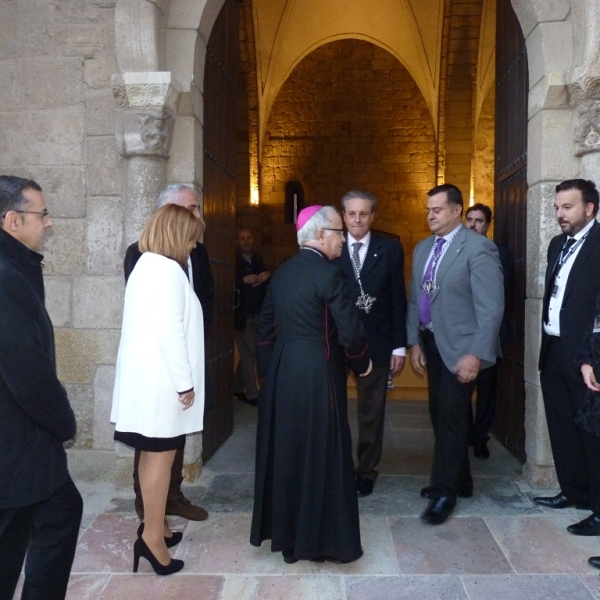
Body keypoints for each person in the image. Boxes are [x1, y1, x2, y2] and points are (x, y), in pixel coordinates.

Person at [251, 205, 372, 564]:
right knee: (324, 452)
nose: (344, 238)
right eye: (338, 231)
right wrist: (361, 363)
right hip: (319, 374)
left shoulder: (282, 274)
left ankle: (289, 540)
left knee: (288, 452)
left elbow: (264, 331)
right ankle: (321, 542)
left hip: (283, 372)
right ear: (320, 236)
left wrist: (269, 374)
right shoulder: (331, 274)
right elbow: (349, 330)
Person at [0, 175, 83, 599]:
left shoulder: (17, 268)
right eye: (42, 214)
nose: (48, 223)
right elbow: (27, 375)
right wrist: (64, 422)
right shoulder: (7, 279)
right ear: (13, 220)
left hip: (23, 446)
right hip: (16, 448)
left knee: (61, 513)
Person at [111, 203, 205, 575]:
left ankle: (157, 528)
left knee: (153, 457)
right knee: (161, 459)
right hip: (163, 382)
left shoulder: (147, 265)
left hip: (148, 380)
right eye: (192, 239)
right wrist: (185, 383)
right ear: (176, 235)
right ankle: (151, 538)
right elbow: (170, 331)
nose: (194, 247)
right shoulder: (166, 270)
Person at [407, 183, 504, 525]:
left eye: (437, 209)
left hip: (462, 348)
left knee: (450, 417)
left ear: (456, 211)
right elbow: (415, 297)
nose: (430, 215)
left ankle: (443, 492)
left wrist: (476, 354)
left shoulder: (478, 249)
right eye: (428, 209)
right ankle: (461, 481)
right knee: (440, 412)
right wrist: (415, 341)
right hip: (431, 343)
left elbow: (491, 307)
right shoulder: (422, 249)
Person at [124, 184, 214, 523]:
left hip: (181, 360)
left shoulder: (196, 254)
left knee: (171, 441)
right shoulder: (148, 259)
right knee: (153, 444)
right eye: (189, 209)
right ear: (169, 215)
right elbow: (160, 321)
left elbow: (205, 299)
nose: (196, 216)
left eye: (197, 208)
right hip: (163, 369)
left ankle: (169, 501)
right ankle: (149, 513)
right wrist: (182, 373)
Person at [535, 179, 600, 537]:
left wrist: (592, 357)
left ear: (589, 208)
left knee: (592, 433)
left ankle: (599, 508)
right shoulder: (557, 244)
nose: (559, 214)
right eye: (557, 207)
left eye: (567, 207)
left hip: (587, 357)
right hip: (554, 348)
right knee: (562, 425)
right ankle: (573, 491)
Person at [337, 190, 407, 498]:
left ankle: (366, 471)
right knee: (331, 408)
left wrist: (399, 346)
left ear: (372, 216)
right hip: (336, 343)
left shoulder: (389, 248)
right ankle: (335, 466)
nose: (357, 219)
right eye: (351, 213)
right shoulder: (332, 245)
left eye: (363, 214)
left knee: (371, 412)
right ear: (343, 216)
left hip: (376, 343)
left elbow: (397, 298)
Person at [465, 203, 512, 459]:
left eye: (479, 220)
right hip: (461, 332)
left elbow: (496, 290)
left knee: (486, 389)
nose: (473, 224)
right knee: (460, 389)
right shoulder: (456, 249)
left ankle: (481, 437)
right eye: (469, 219)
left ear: (487, 224)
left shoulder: (497, 251)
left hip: (488, 332)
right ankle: (467, 433)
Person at [234, 228, 270, 406]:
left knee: (249, 352)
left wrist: (266, 274)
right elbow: (225, 281)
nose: (246, 241)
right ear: (237, 241)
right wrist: (242, 281)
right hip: (242, 315)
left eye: (248, 238)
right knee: (251, 353)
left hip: (258, 312)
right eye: (242, 239)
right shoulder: (232, 259)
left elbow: (266, 272)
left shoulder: (257, 257)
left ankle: (236, 385)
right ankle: (252, 393)